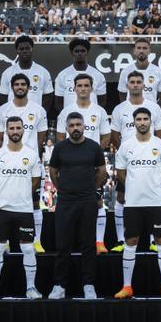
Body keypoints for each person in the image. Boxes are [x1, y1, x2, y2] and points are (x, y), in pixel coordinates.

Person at [113, 109, 161, 298]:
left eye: (145, 119)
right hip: (132, 204)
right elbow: (121, 174)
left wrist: (153, 185)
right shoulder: (126, 146)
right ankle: (127, 287)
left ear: (150, 121)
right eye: (138, 119)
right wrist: (135, 188)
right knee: (130, 241)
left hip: (156, 203)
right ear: (133, 122)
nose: (142, 122)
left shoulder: (160, 145)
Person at [47, 111, 108, 300]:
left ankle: (89, 285)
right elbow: (53, 172)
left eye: (78, 125)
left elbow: (102, 171)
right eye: (71, 125)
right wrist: (64, 189)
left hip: (88, 201)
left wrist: (91, 189)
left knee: (88, 245)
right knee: (63, 246)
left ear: (84, 126)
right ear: (66, 128)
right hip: (65, 202)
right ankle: (59, 285)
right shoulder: (60, 148)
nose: (75, 128)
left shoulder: (93, 147)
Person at [0, 117, 43, 300]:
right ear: (7, 131)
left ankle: (31, 288)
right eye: (12, 128)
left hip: (24, 210)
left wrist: (22, 194)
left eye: (18, 128)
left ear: (23, 130)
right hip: (2, 209)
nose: (15, 131)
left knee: (27, 249)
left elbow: (35, 181)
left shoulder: (31, 154)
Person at [0, 73, 49, 250]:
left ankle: (37, 241)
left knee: (35, 203)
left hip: (30, 164)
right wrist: (7, 156)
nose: (20, 87)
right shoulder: (2, 111)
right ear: (11, 87)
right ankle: (4, 240)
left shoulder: (38, 110)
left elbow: (40, 139)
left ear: (29, 88)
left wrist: (32, 157)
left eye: (23, 84)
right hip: (7, 164)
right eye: (16, 84)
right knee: (4, 200)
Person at [55, 73, 112, 250]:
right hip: (70, 166)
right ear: (74, 88)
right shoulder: (66, 112)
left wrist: (94, 155)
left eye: (86, 85)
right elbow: (59, 137)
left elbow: (106, 136)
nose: (83, 89)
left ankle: (99, 242)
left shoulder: (99, 111)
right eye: (79, 86)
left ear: (91, 88)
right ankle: (70, 242)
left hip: (92, 164)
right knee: (69, 207)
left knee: (98, 201)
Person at [0, 34, 54, 106]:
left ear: (32, 49)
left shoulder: (43, 72)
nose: (24, 51)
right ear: (17, 51)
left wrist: (39, 113)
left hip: (34, 116)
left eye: (27, 48)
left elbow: (48, 96)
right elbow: (3, 97)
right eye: (21, 49)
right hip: (13, 115)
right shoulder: (7, 73)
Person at [53, 38, 106, 112]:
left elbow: (102, 100)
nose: (80, 53)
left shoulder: (98, 75)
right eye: (77, 51)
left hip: (92, 119)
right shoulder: (62, 75)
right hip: (70, 119)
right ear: (72, 53)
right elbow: (58, 102)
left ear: (87, 52)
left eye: (83, 51)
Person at [117, 37, 161, 108]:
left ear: (149, 51)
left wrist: (154, 109)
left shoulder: (158, 71)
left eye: (144, 48)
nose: (141, 51)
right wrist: (127, 109)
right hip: (131, 112)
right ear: (134, 51)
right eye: (138, 48)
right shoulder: (125, 71)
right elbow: (122, 94)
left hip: (150, 114)